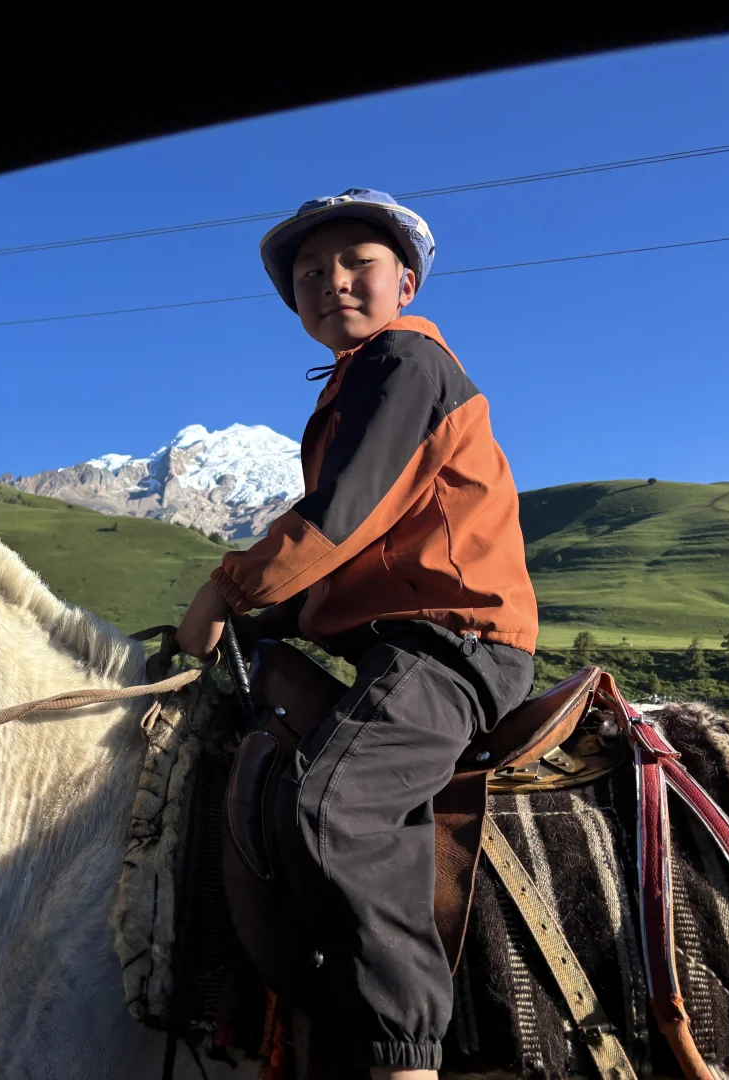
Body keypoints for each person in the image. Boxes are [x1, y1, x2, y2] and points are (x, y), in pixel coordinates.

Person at [176, 188, 539, 1078]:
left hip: (454, 643)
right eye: (308, 274)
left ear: (405, 282)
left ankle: (404, 1053)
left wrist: (225, 592)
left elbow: (339, 517)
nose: (330, 281)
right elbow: (348, 567)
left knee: (334, 802)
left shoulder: (406, 362)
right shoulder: (356, 382)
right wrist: (260, 623)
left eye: (355, 264)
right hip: (395, 637)